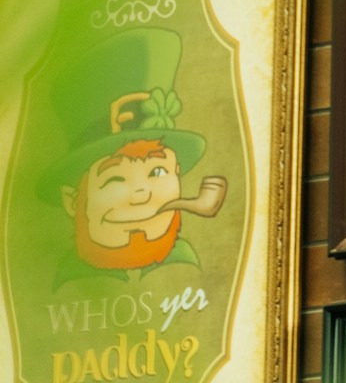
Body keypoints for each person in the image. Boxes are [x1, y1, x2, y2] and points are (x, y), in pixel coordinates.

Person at [34, 26, 226, 285]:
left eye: (157, 172)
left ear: (177, 174)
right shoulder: (64, 284)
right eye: (115, 180)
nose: (141, 195)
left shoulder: (191, 269)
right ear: (72, 200)